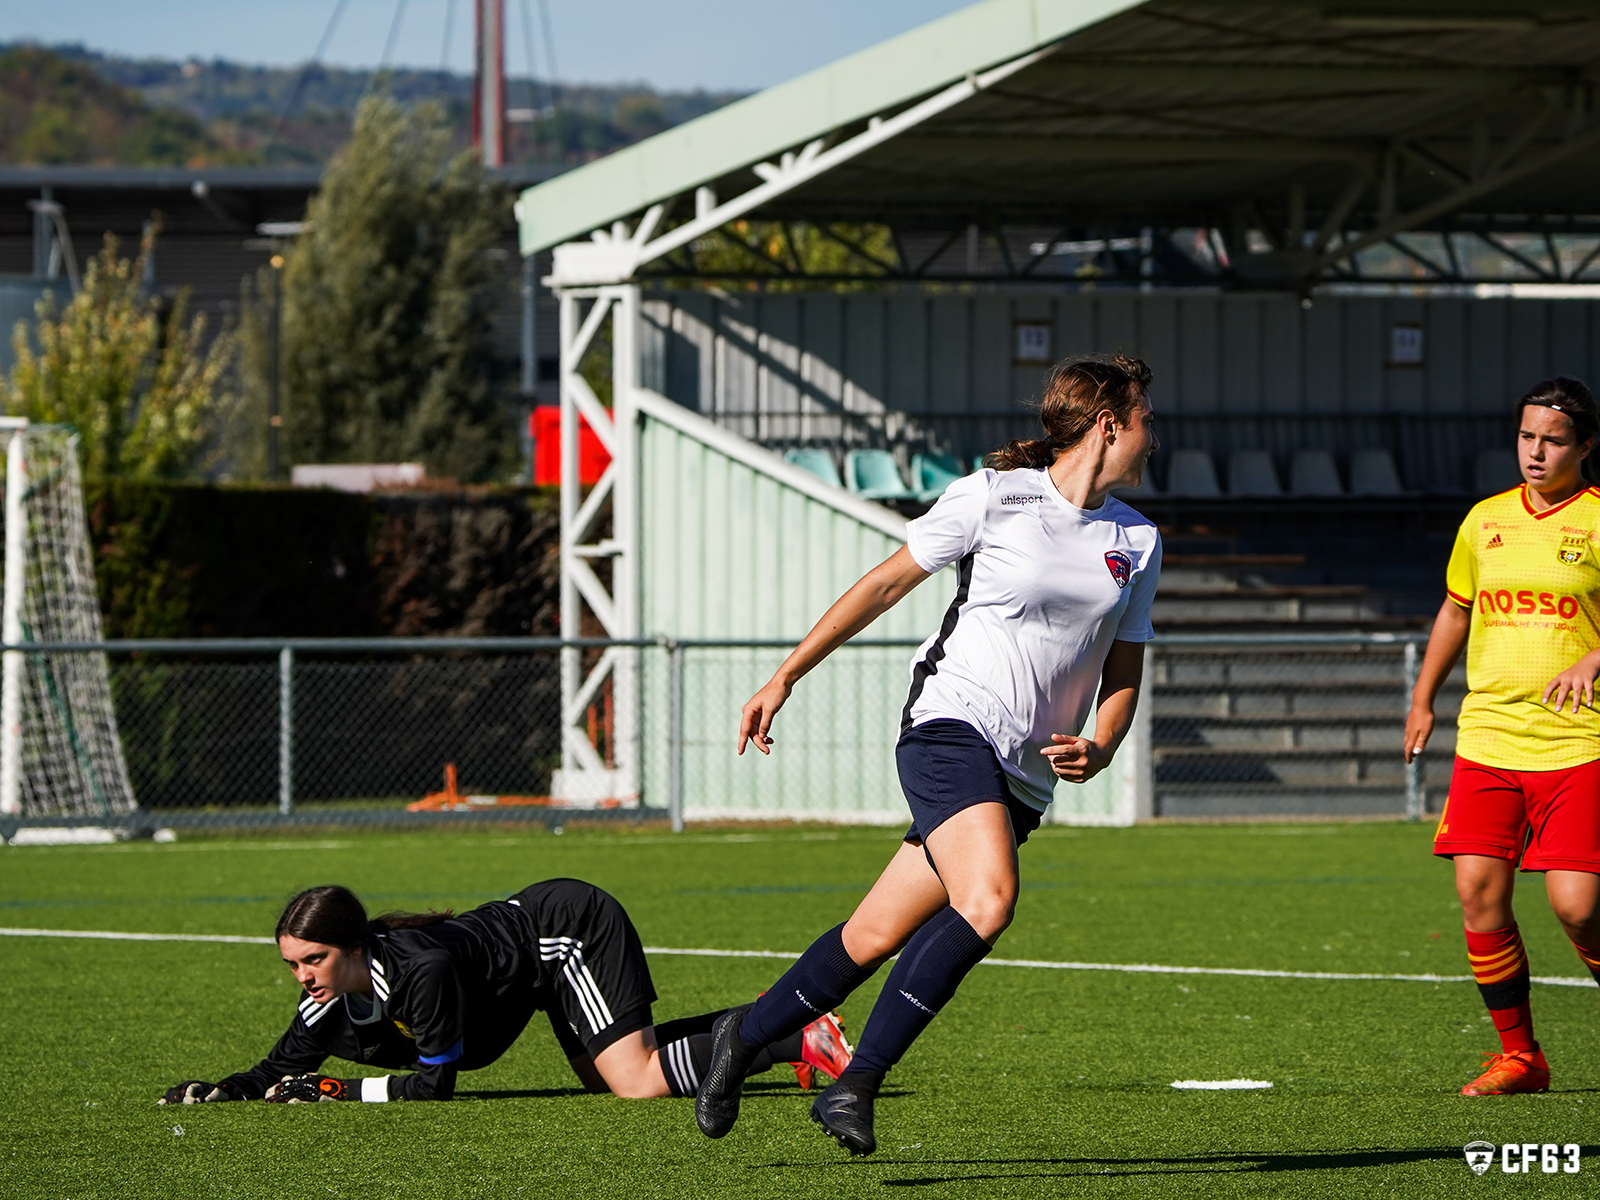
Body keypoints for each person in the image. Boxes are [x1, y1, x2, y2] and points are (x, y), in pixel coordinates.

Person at [695, 354, 1161, 1155]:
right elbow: (882, 586)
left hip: (1023, 777)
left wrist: (1104, 742)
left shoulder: (1138, 539)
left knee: (872, 935)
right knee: (988, 899)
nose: (1154, 434)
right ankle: (856, 1085)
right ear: (1109, 423)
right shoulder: (993, 497)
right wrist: (785, 676)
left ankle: (742, 1035)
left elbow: (1126, 665)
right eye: (1146, 417)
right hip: (950, 726)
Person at [158, 878, 852, 1105]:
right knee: (608, 1078)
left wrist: (339, 1090)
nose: (303, 975)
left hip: (566, 932)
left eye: (313, 959)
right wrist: (227, 1091)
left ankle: (794, 1029)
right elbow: (285, 1067)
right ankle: (785, 1021)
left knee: (634, 1082)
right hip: (534, 967)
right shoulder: (327, 995)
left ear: (354, 949)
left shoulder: (416, 973)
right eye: (292, 964)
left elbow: (435, 1087)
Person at [1406, 376, 1600, 1097]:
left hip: (1580, 742)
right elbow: (1456, 612)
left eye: (1553, 440)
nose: (1536, 452)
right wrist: (1423, 698)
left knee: (1577, 905)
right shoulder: (1485, 520)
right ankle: (1521, 1058)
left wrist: (1594, 654)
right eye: (1527, 437)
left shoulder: (1598, 519)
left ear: (1585, 445)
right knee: (1479, 895)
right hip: (1488, 737)